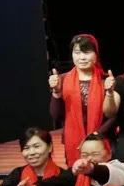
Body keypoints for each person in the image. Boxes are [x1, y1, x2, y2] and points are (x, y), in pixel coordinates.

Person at [49, 34, 114, 166]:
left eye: (87, 52)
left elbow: (114, 116)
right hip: (73, 142)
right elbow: (57, 116)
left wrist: (96, 135)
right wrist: (56, 92)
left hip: (102, 140)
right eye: (77, 52)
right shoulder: (62, 80)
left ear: (96, 55)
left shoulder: (106, 80)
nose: (82, 57)